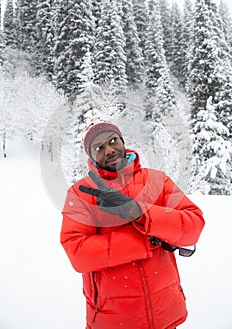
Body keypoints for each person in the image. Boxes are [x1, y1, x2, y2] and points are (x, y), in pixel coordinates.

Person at [60, 117, 205, 329]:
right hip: (113, 320)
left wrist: (139, 212)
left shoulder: (157, 181)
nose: (109, 150)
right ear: (91, 156)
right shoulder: (81, 193)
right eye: (98, 147)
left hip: (166, 313)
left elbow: (193, 225)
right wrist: (145, 242)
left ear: (122, 141)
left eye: (112, 141)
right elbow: (78, 252)